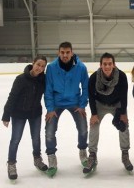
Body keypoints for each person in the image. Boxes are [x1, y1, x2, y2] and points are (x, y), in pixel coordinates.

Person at [83, 52, 133, 174]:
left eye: (109, 64)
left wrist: (123, 113)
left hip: (117, 104)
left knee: (124, 126)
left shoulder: (121, 76)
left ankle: (125, 154)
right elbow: (91, 96)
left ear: (114, 65)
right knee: (94, 125)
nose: (107, 66)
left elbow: (123, 96)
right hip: (100, 104)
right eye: (104, 64)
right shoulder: (94, 77)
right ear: (100, 65)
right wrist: (94, 114)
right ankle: (92, 155)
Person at [44, 41, 89, 177]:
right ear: (59, 53)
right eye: (62, 52)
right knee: (49, 131)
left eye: (67, 52)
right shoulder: (51, 67)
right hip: (56, 103)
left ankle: (82, 151)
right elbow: (48, 89)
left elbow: (86, 87)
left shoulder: (81, 67)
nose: (65, 55)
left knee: (83, 128)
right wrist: (50, 109)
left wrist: (82, 105)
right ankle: (51, 157)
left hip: (74, 102)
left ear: (72, 52)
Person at [2, 56, 48, 180]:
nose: (40, 68)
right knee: (15, 139)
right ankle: (11, 164)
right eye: (38, 64)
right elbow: (12, 97)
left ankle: (37, 159)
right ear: (33, 63)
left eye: (43, 66)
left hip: (35, 114)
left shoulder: (43, 80)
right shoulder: (21, 79)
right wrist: (6, 115)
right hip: (19, 114)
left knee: (36, 138)